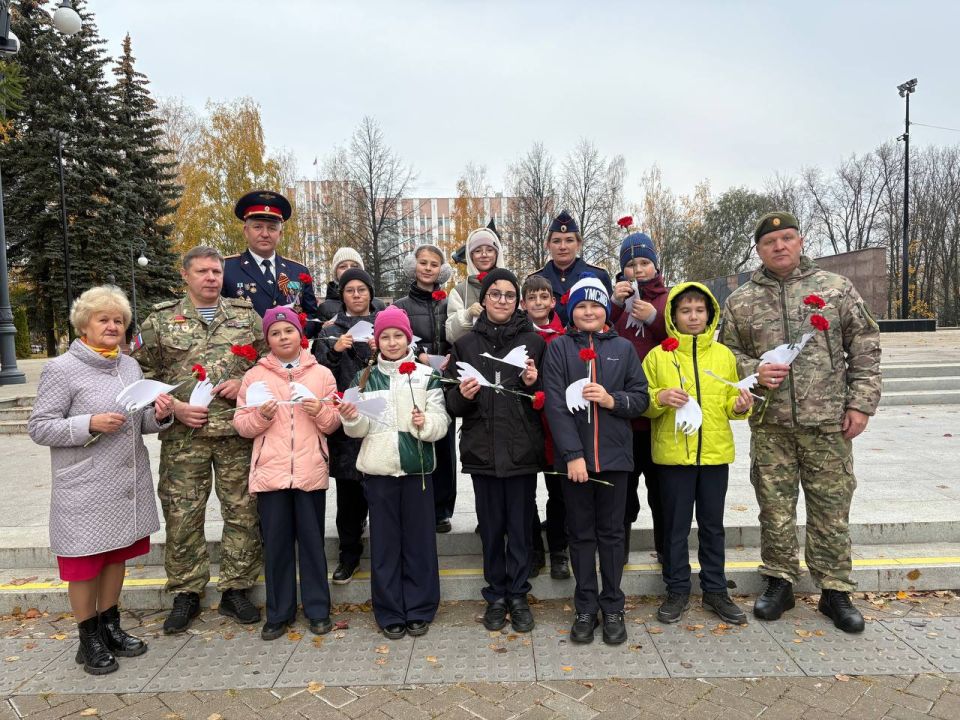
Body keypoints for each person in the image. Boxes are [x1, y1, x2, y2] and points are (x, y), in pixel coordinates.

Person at [719, 211, 882, 634]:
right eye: (771, 241)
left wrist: (861, 403)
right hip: (771, 423)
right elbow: (724, 355)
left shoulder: (834, 288)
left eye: (787, 238)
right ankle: (780, 580)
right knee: (774, 509)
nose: (780, 246)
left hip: (827, 422)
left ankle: (835, 589)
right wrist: (754, 368)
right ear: (758, 250)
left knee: (831, 508)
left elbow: (864, 344)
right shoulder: (741, 300)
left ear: (800, 240)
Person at [29, 286, 174, 675]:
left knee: (115, 556)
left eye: (119, 321)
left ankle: (111, 627)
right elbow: (40, 427)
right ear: (84, 325)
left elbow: (138, 421)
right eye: (104, 320)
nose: (112, 326)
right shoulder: (61, 369)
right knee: (83, 564)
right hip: (86, 486)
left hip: (125, 485)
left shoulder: (128, 365)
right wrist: (88, 423)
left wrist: (159, 415)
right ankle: (87, 638)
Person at [134, 246, 266, 634]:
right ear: (185, 275)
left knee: (242, 512)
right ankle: (186, 593)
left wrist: (245, 381)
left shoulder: (245, 317)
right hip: (183, 435)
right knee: (182, 514)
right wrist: (173, 407)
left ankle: (236, 589)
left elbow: (267, 362)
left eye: (216, 271)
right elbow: (141, 377)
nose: (211, 278)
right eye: (203, 272)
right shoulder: (159, 321)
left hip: (235, 433)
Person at [542, 274, 648, 645]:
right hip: (575, 463)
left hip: (616, 460)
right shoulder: (558, 348)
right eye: (582, 306)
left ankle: (613, 605)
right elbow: (555, 405)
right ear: (572, 311)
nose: (589, 311)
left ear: (606, 311)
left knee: (612, 534)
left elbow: (641, 397)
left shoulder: (623, 347)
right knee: (581, 535)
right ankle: (585, 604)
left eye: (596, 305)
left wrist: (611, 400)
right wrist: (572, 455)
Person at [641, 283, 753, 625]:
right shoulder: (659, 355)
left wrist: (739, 406)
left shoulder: (723, 356)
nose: (693, 316)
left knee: (712, 526)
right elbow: (641, 401)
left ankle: (716, 589)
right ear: (673, 315)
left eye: (699, 310)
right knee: (675, 527)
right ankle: (676, 589)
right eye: (685, 310)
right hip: (674, 457)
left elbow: (731, 405)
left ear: (710, 315)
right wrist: (659, 398)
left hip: (714, 455)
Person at [339, 306, 449, 639]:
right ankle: (388, 611)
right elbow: (357, 430)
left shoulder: (424, 375)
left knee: (419, 543)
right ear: (376, 341)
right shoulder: (363, 377)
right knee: (386, 546)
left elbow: (441, 421)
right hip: (379, 471)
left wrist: (425, 424)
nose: (391, 341)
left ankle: (419, 607)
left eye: (397, 335)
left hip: (416, 471)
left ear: (407, 338)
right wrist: (351, 417)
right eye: (384, 336)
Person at [445, 269, 545, 634]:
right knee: (491, 528)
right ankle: (496, 596)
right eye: (495, 294)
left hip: (521, 451)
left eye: (509, 295)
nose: (502, 300)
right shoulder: (466, 345)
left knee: (519, 528)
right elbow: (451, 404)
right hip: (482, 452)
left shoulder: (533, 343)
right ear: (483, 299)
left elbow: (545, 400)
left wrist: (536, 384)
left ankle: (518, 595)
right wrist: (463, 395)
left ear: (517, 301)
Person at [232, 308, 341, 641]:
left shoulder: (321, 374)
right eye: (275, 333)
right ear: (268, 339)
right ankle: (279, 612)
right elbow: (242, 425)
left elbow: (334, 423)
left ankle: (318, 609)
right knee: (276, 546)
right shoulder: (254, 377)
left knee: (311, 543)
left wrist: (319, 409)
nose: (283, 337)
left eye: (288, 331)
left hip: (309, 471)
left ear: (299, 335)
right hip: (271, 474)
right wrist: (262, 418)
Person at [314, 267, 379, 584]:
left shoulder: (384, 324)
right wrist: (336, 352)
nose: (356, 295)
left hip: (380, 418)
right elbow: (319, 372)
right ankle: (348, 555)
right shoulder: (331, 331)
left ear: (370, 292)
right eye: (350, 290)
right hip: (346, 418)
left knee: (380, 491)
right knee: (350, 496)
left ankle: (384, 553)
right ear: (342, 295)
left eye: (362, 289)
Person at [610, 232, 670, 565]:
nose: (639, 270)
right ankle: (619, 550)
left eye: (644, 262)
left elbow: (677, 338)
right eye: (631, 264)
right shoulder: (616, 299)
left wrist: (653, 318)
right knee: (623, 491)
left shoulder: (667, 300)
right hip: (623, 415)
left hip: (658, 415)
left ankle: (665, 550)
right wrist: (616, 305)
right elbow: (602, 332)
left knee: (660, 492)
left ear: (655, 265)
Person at [393, 244, 458, 533]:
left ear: (441, 269)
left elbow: (460, 335)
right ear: (414, 266)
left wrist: (451, 357)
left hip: (444, 381)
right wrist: (417, 352)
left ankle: (442, 509)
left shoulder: (449, 303)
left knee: (444, 446)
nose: (428, 268)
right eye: (423, 262)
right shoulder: (401, 305)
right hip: (414, 381)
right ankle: (417, 504)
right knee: (416, 440)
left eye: (434, 263)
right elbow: (395, 338)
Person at [519, 274, 570, 580]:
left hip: (555, 425)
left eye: (543, 297)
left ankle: (559, 549)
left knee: (558, 492)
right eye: (532, 298)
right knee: (525, 492)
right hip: (525, 424)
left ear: (553, 301)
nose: (538, 303)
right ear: (523, 304)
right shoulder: (516, 334)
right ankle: (534, 548)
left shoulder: (565, 335)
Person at [222, 190, 321, 337]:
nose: (265, 234)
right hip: (245, 354)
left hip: (289, 354)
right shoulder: (225, 269)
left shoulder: (299, 271)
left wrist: (294, 339)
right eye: (257, 227)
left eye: (272, 228)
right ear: (246, 231)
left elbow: (311, 316)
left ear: (280, 234)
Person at [528, 210, 612, 327]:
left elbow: (608, 318)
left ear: (578, 244)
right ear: (547, 245)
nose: (563, 247)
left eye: (569, 240)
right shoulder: (535, 278)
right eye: (556, 241)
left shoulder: (598, 276)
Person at [446, 223, 502, 344]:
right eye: (477, 250)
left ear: (496, 254)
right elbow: (451, 336)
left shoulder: (511, 285)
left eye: (490, 250)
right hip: (471, 356)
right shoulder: (459, 291)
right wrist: (467, 315)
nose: (484, 255)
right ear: (471, 256)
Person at [318, 247, 386, 323]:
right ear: (335, 272)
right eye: (343, 266)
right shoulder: (325, 308)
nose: (349, 269)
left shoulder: (378, 305)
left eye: (354, 266)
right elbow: (319, 333)